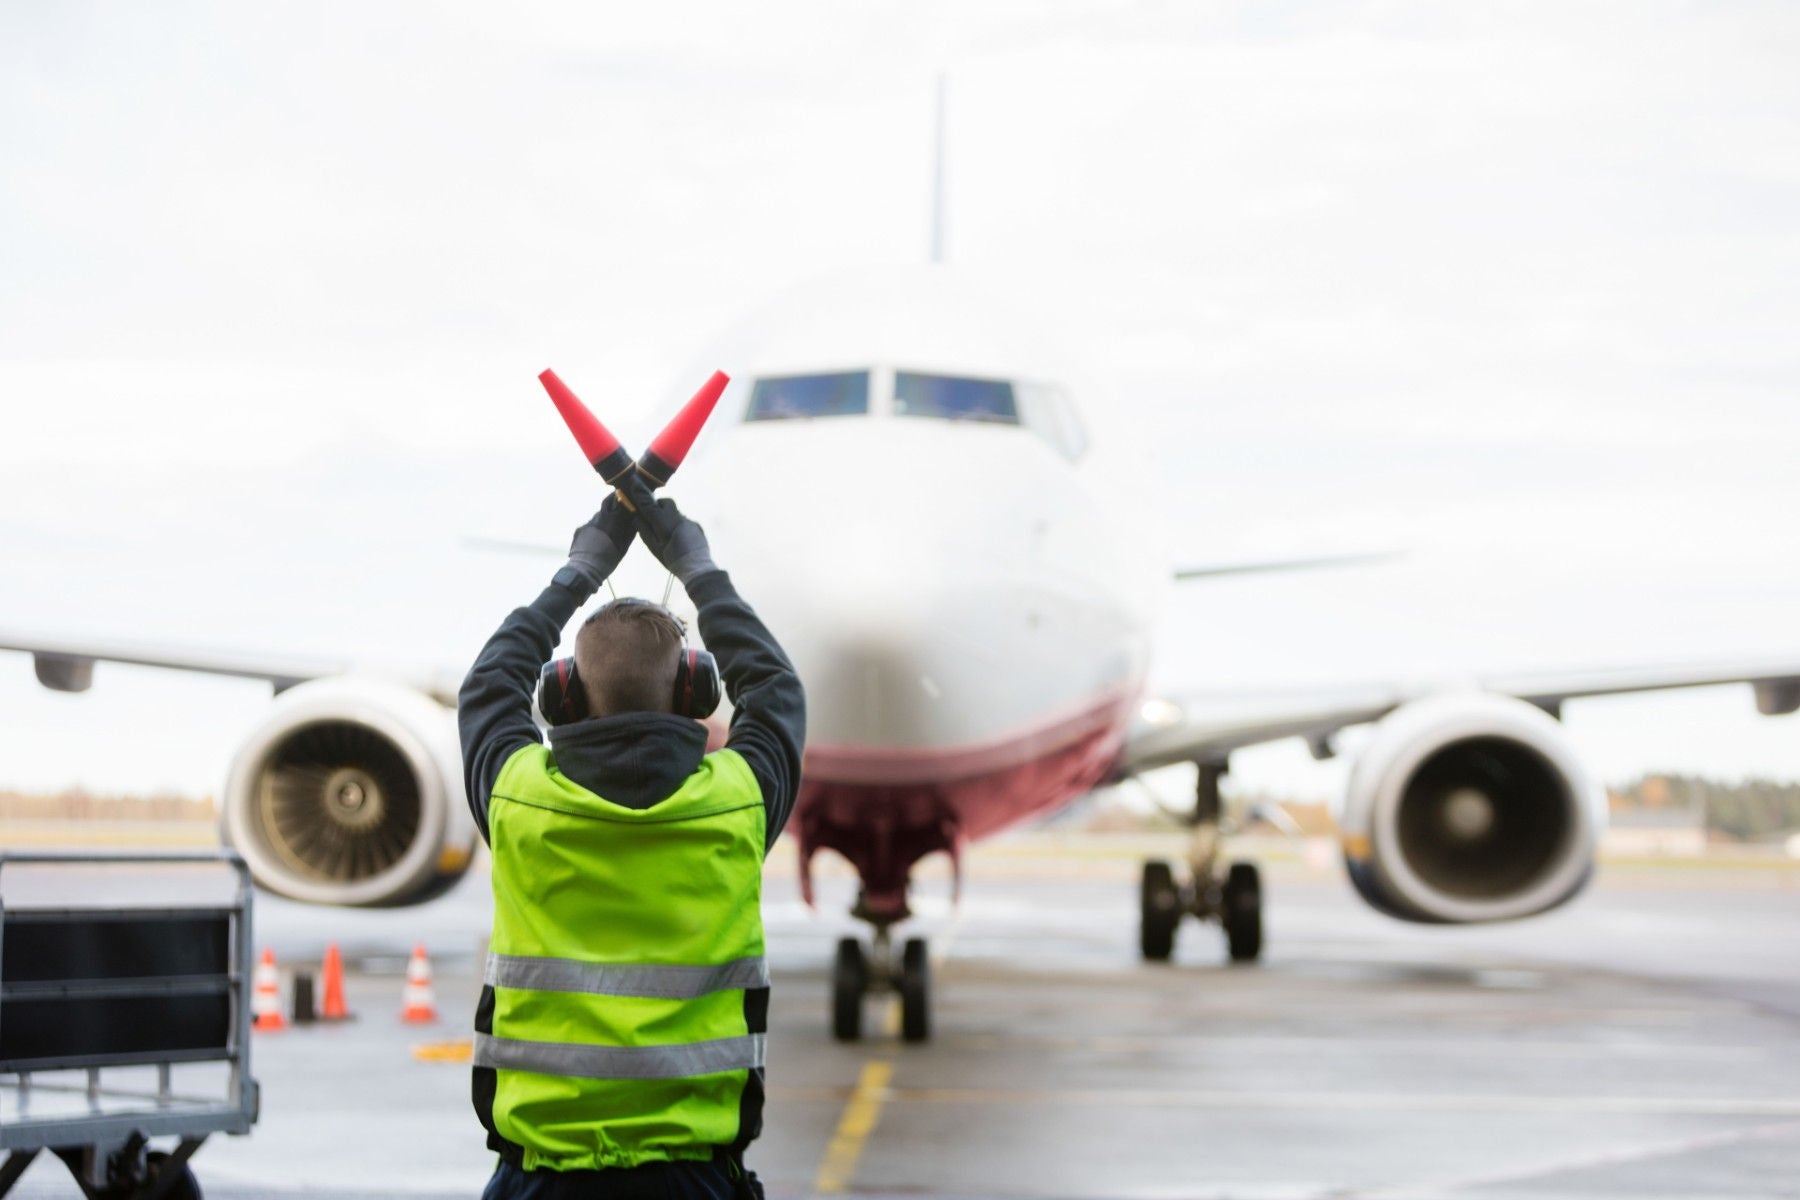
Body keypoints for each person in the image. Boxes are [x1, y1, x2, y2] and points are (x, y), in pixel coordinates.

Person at [458, 473, 805, 1199]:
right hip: (695, 1181)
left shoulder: (519, 799)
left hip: (541, 1181)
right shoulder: (737, 805)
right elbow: (775, 690)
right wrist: (698, 570)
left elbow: (489, 684)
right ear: (693, 691)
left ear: (562, 696)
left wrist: (578, 574)